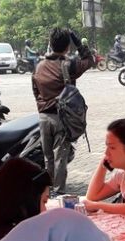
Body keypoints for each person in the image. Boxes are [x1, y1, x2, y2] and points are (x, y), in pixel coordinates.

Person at [32, 27, 94, 195]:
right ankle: (58, 194)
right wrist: (77, 40)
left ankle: (47, 192)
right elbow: (89, 60)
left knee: (48, 159)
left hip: (44, 118)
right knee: (60, 159)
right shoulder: (69, 64)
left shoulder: (39, 66)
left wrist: (43, 107)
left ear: (50, 44)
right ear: (67, 46)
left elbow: (35, 91)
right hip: (62, 119)